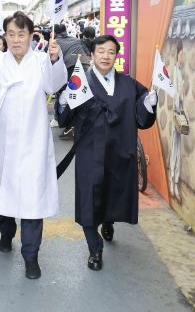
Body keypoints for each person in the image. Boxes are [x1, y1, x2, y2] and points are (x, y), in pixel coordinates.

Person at [0, 11, 66, 280]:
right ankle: (6, 233)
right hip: (1, 141)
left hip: (32, 141)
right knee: (3, 194)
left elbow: (54, 84)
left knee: (32, 200)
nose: (16, 39)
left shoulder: (41, 61)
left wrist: (56, 59)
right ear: (5, 36)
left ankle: (31, 256)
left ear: (31, 36)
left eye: (22, 34)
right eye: (11, 34)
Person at [57, 34, 157, 271]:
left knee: (114, 191)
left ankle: (109, 221)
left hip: (119, 149)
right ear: (92, 54)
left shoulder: (128, 84)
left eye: (111, 52)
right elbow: (64, 119)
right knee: (88, 197)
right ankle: (95, 248)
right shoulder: (81, 82)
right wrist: (63, 102)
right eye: (100, 51)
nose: (105, 56)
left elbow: (141, 114)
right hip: (89, 151)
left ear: (116, 56)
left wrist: (148, 103)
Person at [168, 40, 185, 200]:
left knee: (178, 150)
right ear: (177, 55)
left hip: (181, 114)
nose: (183, 58)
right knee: (174, 149)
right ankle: (172, 181)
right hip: (176, 115)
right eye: (181, 55)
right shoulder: (175, 71)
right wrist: (180, 95)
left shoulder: (181, 71)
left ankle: (176, 182)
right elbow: (174, 93)